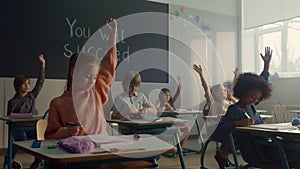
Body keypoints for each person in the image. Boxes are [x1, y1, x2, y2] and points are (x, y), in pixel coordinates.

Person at [45, 18, 117, 140]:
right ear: (74, 73)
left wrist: (112, 35)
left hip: (101, 149)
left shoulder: (96, 93)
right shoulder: (58, 104)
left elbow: (109, 66)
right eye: (87, 76)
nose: (92, 82)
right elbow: (50, 137)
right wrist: (64, 132)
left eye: (94, 77)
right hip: (77, 154)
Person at [5, 53, 45, 169]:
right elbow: (9, 117)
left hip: (31, 126)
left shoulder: (31, 96)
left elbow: (40, 83)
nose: (27, 86)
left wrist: (43, 65)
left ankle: (37, 160)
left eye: (28, 84)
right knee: (21, 140)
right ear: (18, 86)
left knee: (40, 137)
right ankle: (9, 159)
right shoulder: (12, 101)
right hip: (18, 128)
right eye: (24, 84)